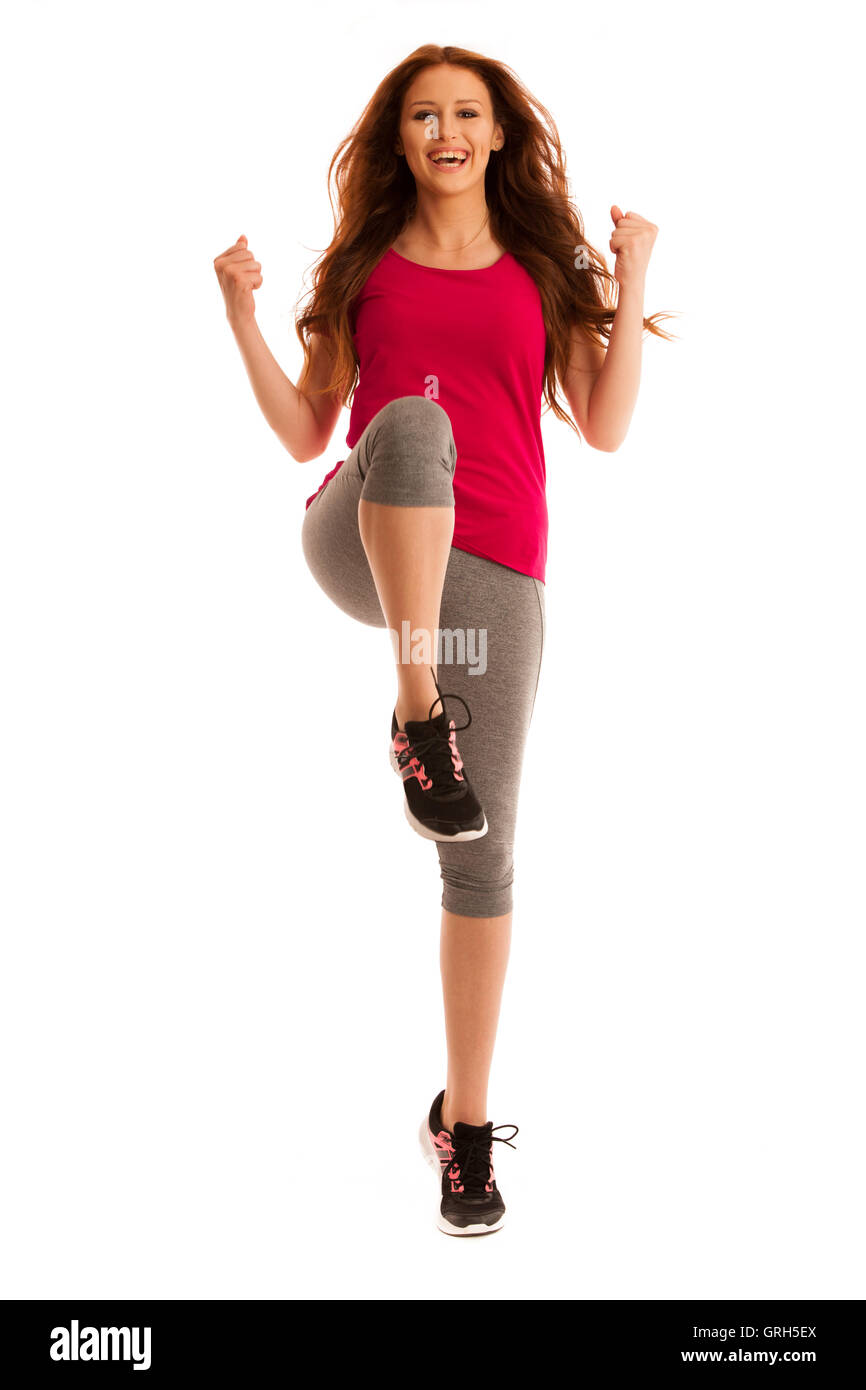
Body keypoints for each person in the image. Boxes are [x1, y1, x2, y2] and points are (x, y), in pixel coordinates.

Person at [213, 44, 672, 1237]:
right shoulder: (366, 264)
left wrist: (626, 276)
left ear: (499, 136)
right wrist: (239, 316)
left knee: (481, 858)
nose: (445, 130)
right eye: (423, 114)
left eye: (466, 112)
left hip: (491, 572)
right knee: (410, 421)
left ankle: (460, 1130)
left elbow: (608, 426)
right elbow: (306, 425)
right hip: (361, 532)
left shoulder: (538, 272)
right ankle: (419, 716)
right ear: (401, 138)